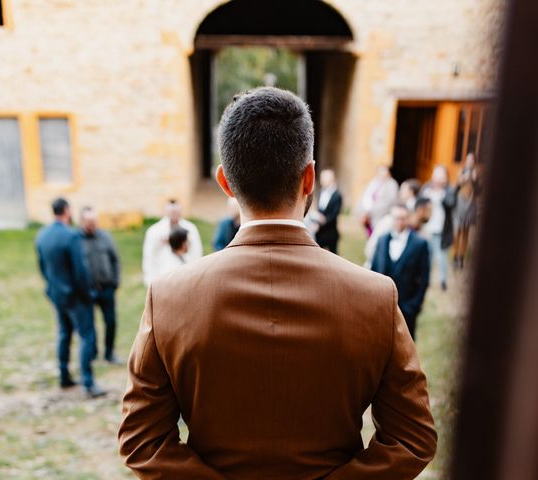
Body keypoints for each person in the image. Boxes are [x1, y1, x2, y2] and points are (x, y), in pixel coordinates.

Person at [119, 87, 436, 478]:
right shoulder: (375, 296)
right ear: (309, 179)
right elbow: (412, 438)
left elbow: (141, 440)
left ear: (225, 183)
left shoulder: (169, 297)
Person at [35, 198, 106, 398]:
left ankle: (64, 376)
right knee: (86, 336)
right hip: (76, 297)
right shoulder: (71, 236)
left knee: (64, 334)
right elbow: (80, 271)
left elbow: (42, 267)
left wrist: (51, 288)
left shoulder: (42, 235)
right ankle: (88, 383)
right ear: (66, 211)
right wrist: (88, 295)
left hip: (57, 295)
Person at [371, 203, 431, 338]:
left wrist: (414, 306)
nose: (399, 221)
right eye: (396, 218)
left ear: (408, 219)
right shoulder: (382, 240)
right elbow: (373, 270)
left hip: (407, 308)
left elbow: (424, 278)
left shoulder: (420, 244)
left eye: (402, 218)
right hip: (381, 307)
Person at [79, 206, 122, 365]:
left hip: (107, 288)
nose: (92, 225)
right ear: (81, 221)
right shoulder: (76, 240)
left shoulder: (105, 237)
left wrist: (115, 281)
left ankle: (109, 353)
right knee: (89, 325)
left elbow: (115, 260)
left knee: (110, 321)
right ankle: (92, 353)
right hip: (87, 291)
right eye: (89, 222)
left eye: (95, 221)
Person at [141, 199, 202, 286]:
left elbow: (197, 252)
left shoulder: (190, 229)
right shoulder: (154, 231)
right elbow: (149, 255)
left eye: (176, 212)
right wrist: (150, 279)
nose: (174, 215)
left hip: (186, 277)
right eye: (172, 212)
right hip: (162, 277)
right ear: (166, 212)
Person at [364, 194, 433, 268]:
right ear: (420, 210)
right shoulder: (389, 222)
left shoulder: (424, 235)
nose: (432, 213)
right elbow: (371, 248)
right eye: (429, 210)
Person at [421, 166, 457, 291]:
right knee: (428, 255)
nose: (438, 179)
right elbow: (419, 202)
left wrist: (441, 196)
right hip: (427, 229)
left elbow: (451, 203)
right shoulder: (426, 187)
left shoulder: (449, 191)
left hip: (442, 230)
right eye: (436, 175)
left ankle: (443, 281)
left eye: (441, 176)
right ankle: (426, 280)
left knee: (442, 256)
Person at [452, 153, 480, 269]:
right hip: (461, 201)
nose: (470, 161)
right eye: (468, 159)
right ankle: (455, 255)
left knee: (466, 231)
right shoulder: (461, 171)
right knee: (458, 230)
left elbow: (479, 191)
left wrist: (474, 180)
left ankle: (461, 258)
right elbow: (456, 187)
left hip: (471, 202)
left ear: (474, 161)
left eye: (472, 159)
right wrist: (462, 179)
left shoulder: (477, 173)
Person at [356, 165, 399, 236]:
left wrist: (371, 212)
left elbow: (388, 202)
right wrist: (364, 212)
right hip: (368, 217)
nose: (381, 175)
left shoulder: (392, 184)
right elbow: (364, 197)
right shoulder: (372, 183)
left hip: (380, 216)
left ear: (389, 173)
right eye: (379, 173)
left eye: (384, 173)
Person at [312, 168, 343, 253]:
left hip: (330, 232)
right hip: (319, 231)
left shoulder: (337, 195)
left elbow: (335, 214)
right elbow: (319, 209)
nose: (322, 180)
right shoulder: (320, 192)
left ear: (331, 179)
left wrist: (324, 220)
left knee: (333, 255)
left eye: (324, 178)